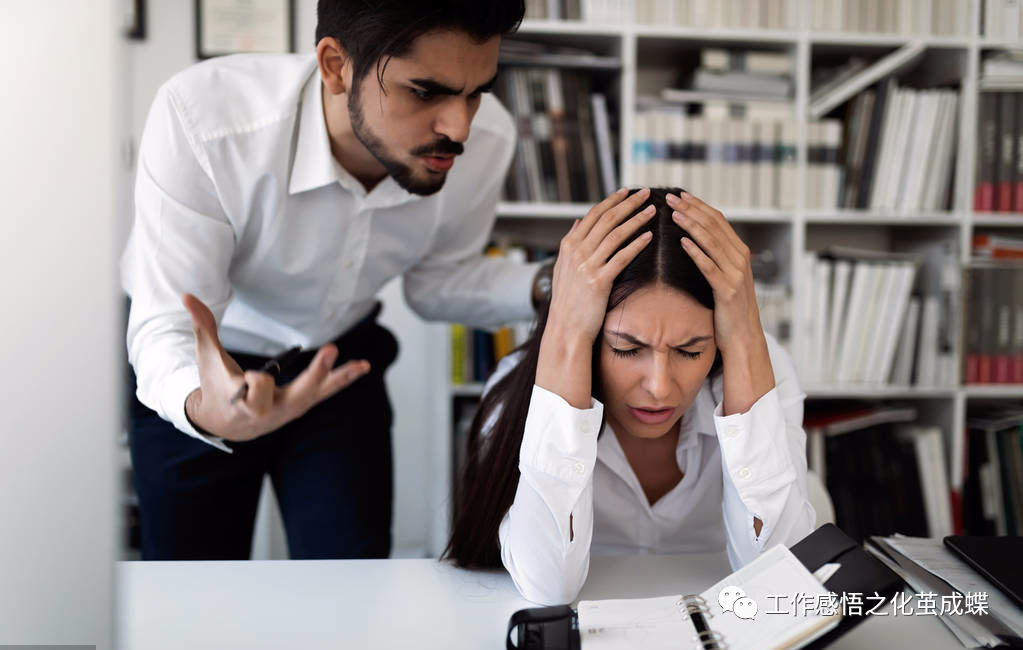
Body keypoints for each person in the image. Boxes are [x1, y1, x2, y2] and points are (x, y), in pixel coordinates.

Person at [121, 0, 545, 560]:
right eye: (425, 91)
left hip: (339, 368)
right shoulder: (205, 121)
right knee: (188, 591)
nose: (459, 127)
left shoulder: (488, 140)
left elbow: (438, 281)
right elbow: (166, 328)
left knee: (352, 588)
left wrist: (552, 284)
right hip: (204, 370)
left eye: (476, 91)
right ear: (336, 66)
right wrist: (205, 406)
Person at [444, 187, 816, 605]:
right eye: (626, 348)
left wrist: (747, 336)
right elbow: (548, 586)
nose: (659, 387)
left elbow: (780, 578)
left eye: (691, 350)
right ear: (587, 334)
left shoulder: (758, 368)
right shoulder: (514, 390)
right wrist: (564, 333)